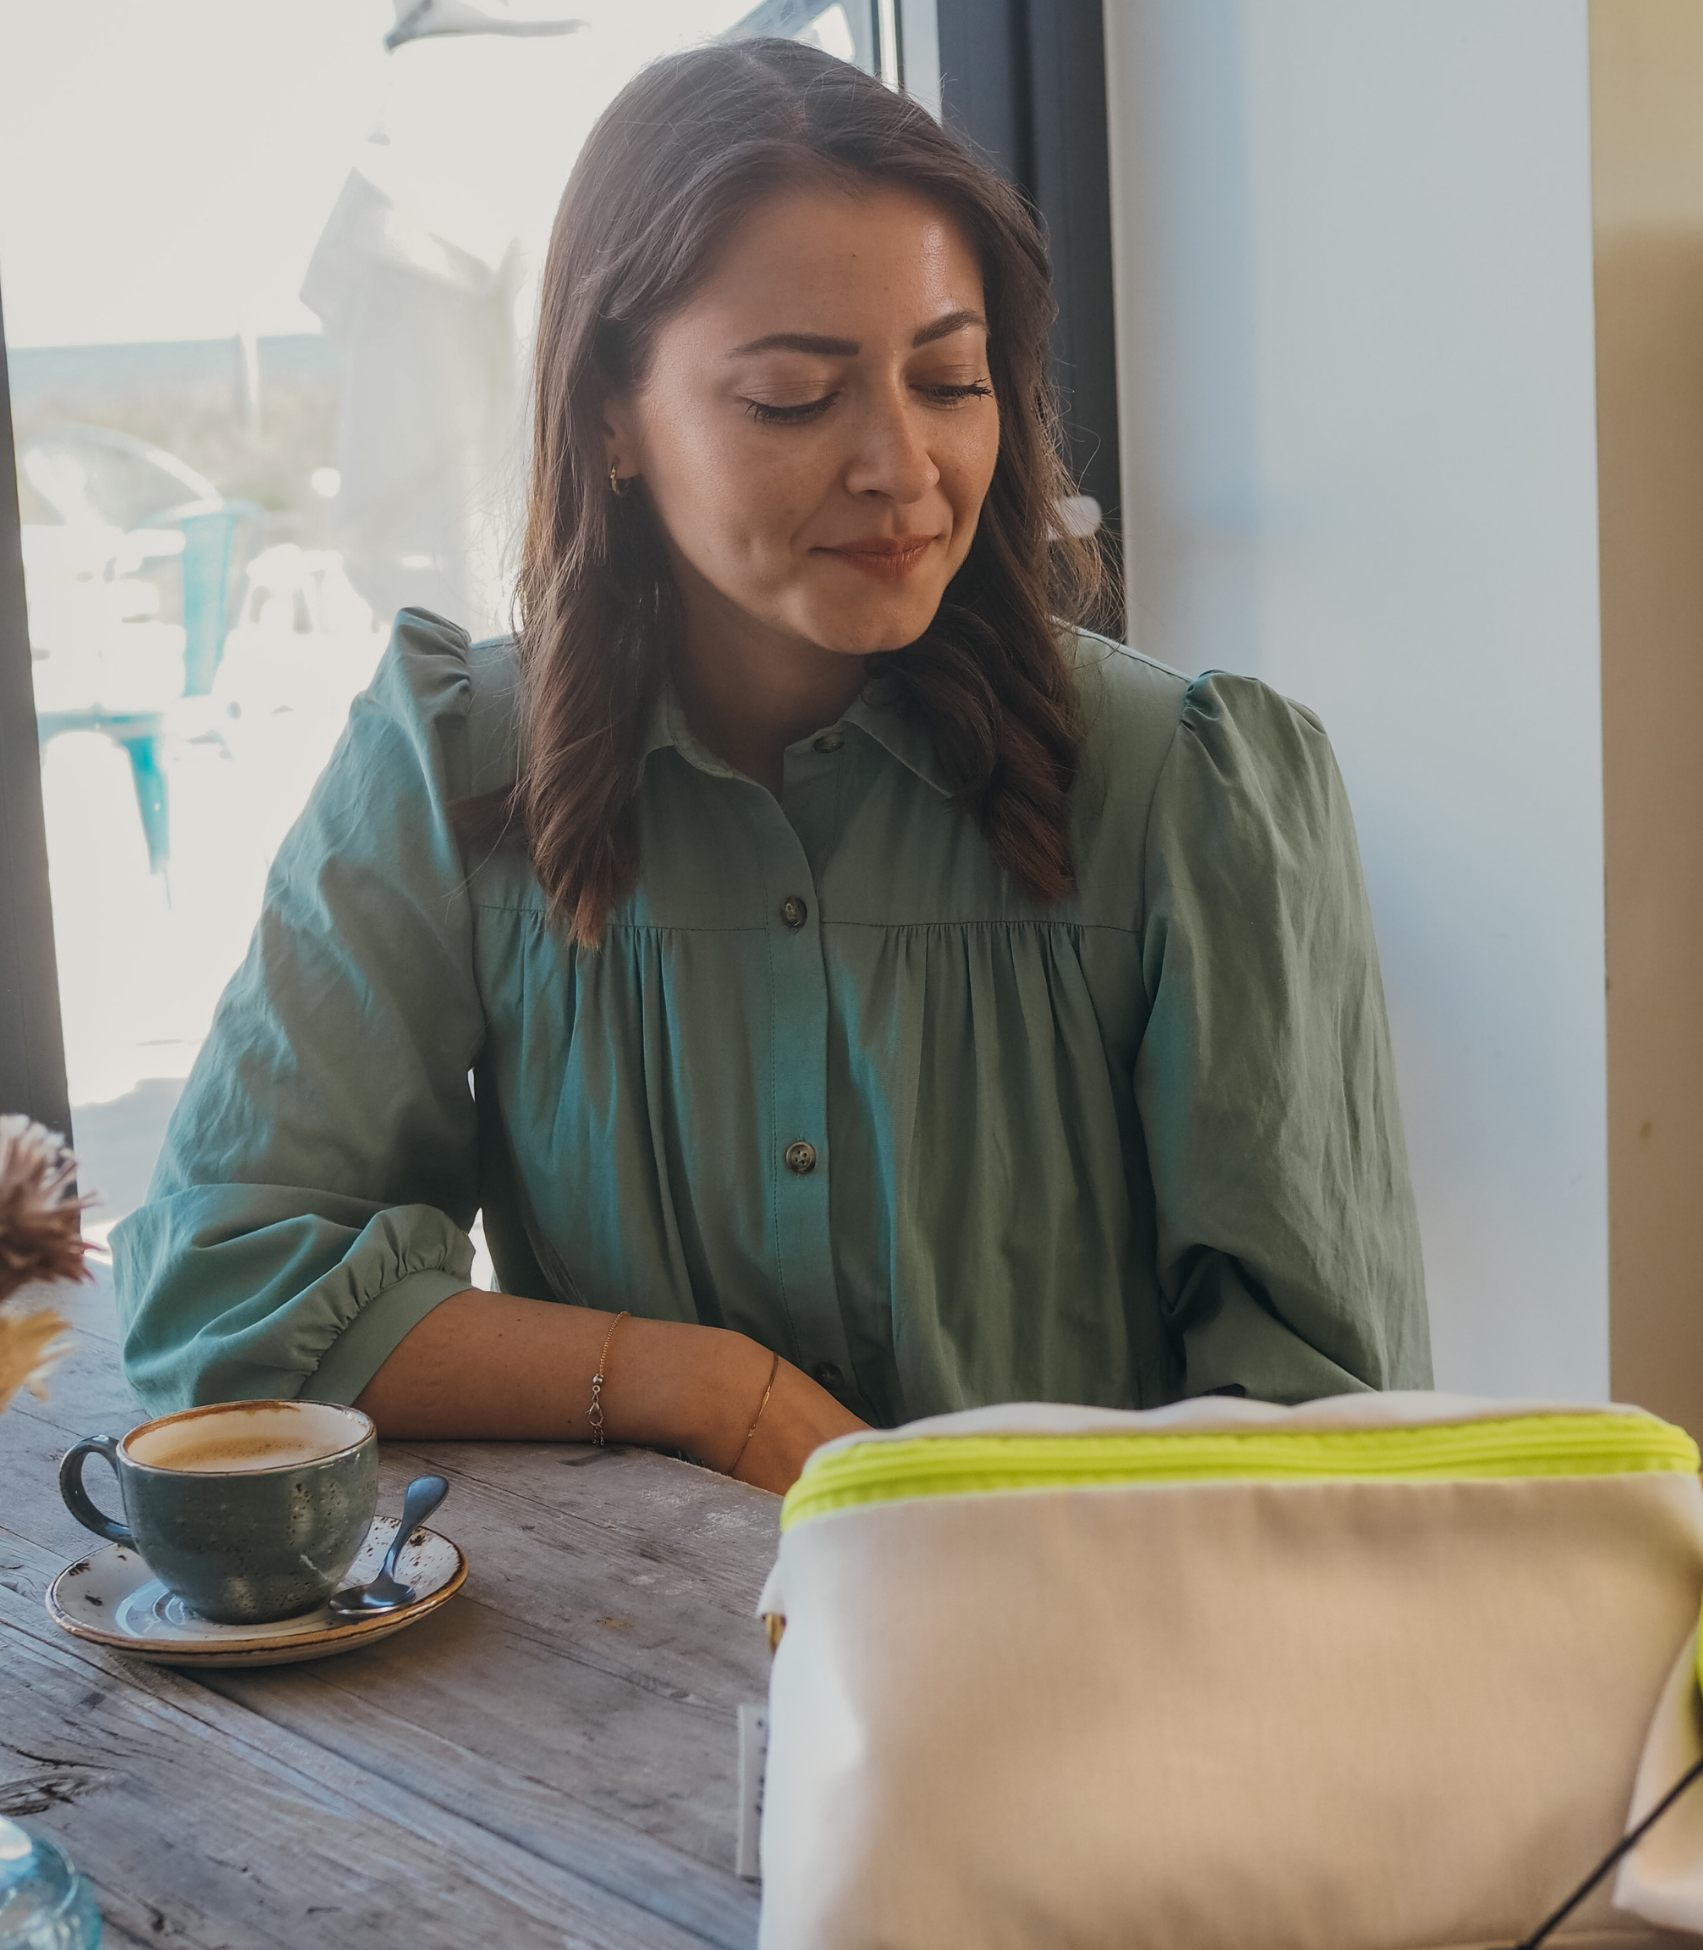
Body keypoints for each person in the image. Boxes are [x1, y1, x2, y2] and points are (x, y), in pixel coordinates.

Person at [113, 39, 1430, 1495]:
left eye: (950, 380)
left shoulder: (1193, 791)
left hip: (1079, 1631)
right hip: (626, 1635)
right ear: (610, 415)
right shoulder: (451, 765)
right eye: (795, 398)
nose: (903, 467)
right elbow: (218, 1302)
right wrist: (702, 1388)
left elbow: (1333, 1442)